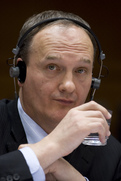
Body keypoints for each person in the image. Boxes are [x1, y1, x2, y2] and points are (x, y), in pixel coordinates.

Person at [0, 10, 121, 181]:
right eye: (52, 67)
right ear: (21, 73)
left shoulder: (112, 156)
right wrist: (51, 148)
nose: (69, 86)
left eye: (80, 70)